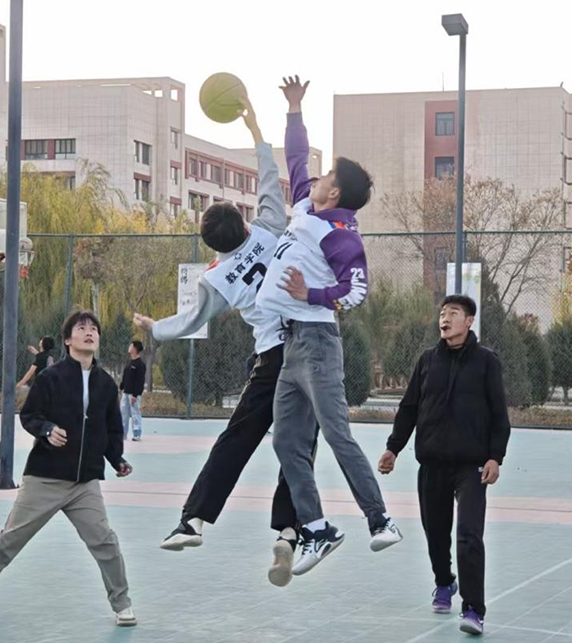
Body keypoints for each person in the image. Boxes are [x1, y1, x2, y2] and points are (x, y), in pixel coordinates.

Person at [134, 97, 311, 587]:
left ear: (213, 244)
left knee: (237, 439)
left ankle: (193, 520)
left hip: (272, 357)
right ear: (245, 222)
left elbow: (189, 321)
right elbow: (270, 177)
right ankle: (290, 530)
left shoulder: (216, 280)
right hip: (310, 351)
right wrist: (256, 131)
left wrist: (153, 326)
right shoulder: (271, 227)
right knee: (298, 444)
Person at [254, 75, 401, 576]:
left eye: (326, 175)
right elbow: (297, 160)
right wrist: (295, 109)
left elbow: (355, 291)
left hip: (317, 342)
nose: (315, 176)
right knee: (286, 442)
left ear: (334, 190)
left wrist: (309, 294)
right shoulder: (305, 207)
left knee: (337, 435)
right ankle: (317, 531)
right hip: (293, 345)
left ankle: (381, 520)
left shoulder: (340, 232)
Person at [0, 310, 136, 629]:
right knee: (9, 541)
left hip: (84, 484)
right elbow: (30, 416)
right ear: (67, 340)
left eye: (94, 329)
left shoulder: (106, 384)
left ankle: (122, 604)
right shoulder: (50, 378)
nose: (89, 332)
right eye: (82, 328)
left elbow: (111, 430)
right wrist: (47, 429)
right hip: (45, 478)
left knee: (105, 543)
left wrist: (117, 459)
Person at [378, 295, 510, 636]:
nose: (445, 319)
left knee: (469, 535)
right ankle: (444, 582)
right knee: (435, 533)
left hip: (471, 466)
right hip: (432, 463)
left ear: (469, 321)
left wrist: (495, 457)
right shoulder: (427, 360)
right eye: (442, 313)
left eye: (453, 313)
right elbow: (409, 408)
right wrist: (393, 448)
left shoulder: (486, 361)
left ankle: (473, 609)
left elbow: (499, 414)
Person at [119, 340, 146, 441]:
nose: (129, 347)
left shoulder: (140, 365)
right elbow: (125, 376)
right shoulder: (129, 362)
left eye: (131, 346)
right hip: (125, 392)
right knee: (123, 414)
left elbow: (140, 381)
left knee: (135, 413)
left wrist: (135, 395)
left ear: (135, 348)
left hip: (133, 394)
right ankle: (123, 433)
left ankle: (136, 434)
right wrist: (122, 387)